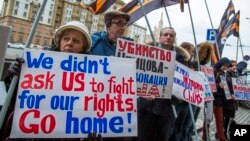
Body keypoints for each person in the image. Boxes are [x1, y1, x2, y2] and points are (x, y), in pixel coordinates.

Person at [1, 21, 102, 141]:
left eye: (76, 41)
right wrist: (14, 77)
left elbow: (93, 109)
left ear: (83, 48)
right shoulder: (38, 64)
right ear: (59, 43)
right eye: (66, 38)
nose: (69, 43)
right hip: (34, 132)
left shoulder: (92, 74)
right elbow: (17, 99)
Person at [137, 27, 190, 141]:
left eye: (171, 35)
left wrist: (175, 98)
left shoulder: (181, 60)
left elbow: (183, 84)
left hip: (167, 108)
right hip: (145, 106)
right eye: (165, 34)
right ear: (160, 37)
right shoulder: (146, 54)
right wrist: (141, 93)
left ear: (174, 39)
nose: (168, 37)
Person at [211, 57, 231, 141]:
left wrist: (228, 94)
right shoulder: (213, 71)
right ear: (221, 63)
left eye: (227, 66)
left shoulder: (223, 73)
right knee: (208, 118)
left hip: (219, 100)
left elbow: (225, 86)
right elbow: (209, 84)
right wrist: (219, 86)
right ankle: (204, 135)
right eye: (224, 65)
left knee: (220, 119)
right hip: (212, 99)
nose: (225, 68)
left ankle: (221, 138)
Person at [224, 60, 238, 140]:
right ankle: (224, 131)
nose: (234, 67)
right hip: (228, 100)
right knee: (227, 116)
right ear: (229, 66)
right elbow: (226, 87)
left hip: (233, 100)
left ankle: (226, 130)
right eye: (233, 65)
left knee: (230, 116)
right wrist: (231, 94)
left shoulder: (235, 74)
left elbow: (237, 86)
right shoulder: (226, 75)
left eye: (236, 65)